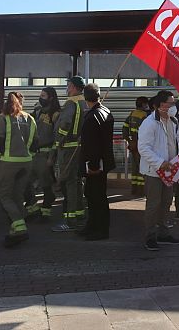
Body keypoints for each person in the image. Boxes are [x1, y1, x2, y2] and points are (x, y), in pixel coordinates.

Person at [138, 90, 179, 250]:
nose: (173, 106)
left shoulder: (173, 121)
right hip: (154, 171)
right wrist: (160, 162)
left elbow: (176, 143)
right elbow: (143, 148)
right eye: (170, 103)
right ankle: (150, 237)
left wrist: (178, 161)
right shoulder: (149, 123)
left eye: (173, 103)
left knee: (166, 203)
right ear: (161, 105)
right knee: (153, 204)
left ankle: (163, 234)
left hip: (170, 169)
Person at [0, 92, 37, 247]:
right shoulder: (30, 118)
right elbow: (35, 143)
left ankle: (19, 227)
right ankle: (16, 227)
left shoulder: (4, 118)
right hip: (27, 162)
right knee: (17, 195)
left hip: (8, 162)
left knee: (3, 194)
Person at [78, 83, 115, 241]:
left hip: (95, 165)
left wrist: (93, 166)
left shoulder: (92, 117)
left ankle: (100, 229)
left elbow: (93, 145)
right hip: (103, 162)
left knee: (96, 197)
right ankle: (92, 225)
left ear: (85, 97)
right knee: (94, 195)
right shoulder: (105, 112)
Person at [52, 76, 88, 232]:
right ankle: (80, 213)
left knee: (69, 183)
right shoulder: (85, 103)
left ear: (73, 87)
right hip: (80, 147)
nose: (67, 89)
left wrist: (59, 139)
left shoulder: (71, 103)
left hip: (68, 147)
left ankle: (70, 219)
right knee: (77, 180)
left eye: (68, 86)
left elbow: (65, 123)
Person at [26, 87, 61, 222]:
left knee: (46, 185)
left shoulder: (56, 114)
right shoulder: (37, 111)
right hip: (33, 154)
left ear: (51, 97)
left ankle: (46, 212)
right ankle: (33, 209)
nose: (40, 98)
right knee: (25, 182)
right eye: (40, 95)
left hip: (45, 154)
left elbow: (57, 137)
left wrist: (52, 157)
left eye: (43, 96)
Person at [122, 96, 150, 196]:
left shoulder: (132, 114)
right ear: (143, 104)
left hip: (132, 145)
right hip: (141, 145)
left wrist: (129, 140)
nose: (147, 106)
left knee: (134, 168)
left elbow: (124, 128)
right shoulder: (145, 116)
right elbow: (146, 132)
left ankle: (134, 189)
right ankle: (141, 191)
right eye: (146, 104)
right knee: (142, 167)